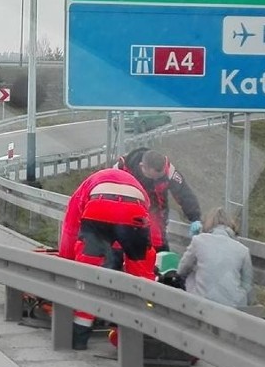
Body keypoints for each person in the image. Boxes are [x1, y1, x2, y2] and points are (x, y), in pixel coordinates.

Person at [58, 168, 157, 349]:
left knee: (87, 278)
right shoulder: (136, 184)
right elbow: (140, 224)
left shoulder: (88, 184)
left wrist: (67, 262)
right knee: (141, 280)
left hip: (98, 207)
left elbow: (70, 228)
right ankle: (134, 336)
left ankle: (79, 338)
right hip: (135, 210)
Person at [114, 147, 202, 252]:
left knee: (159, 243)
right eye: (153, 177)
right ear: (142, 167)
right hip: (128, 207)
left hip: (156, 211)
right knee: (122, 243)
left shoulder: (168, 170)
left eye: (159, 177)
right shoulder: (122, 168)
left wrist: (195, 218)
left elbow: (184, 193)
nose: (156, 180)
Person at [177, 207, 254, 308]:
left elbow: (182, 270)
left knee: (191, 274)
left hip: (201, 303)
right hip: (233, 309)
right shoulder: (243, 250)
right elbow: (247, 284)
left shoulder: (198, 240)